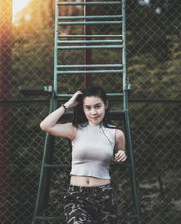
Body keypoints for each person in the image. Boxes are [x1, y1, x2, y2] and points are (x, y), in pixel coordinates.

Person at [40, 85, 127, 224]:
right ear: (83, 108)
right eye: (88, 107)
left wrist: (122, 155)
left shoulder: (116, 134)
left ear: (106, 104)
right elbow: (45, 125)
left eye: (97, 106)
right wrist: (68, 104)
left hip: (104, 195)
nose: (93, 112)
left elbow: (120, 158)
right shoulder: (75, 129)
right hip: (77, 196)